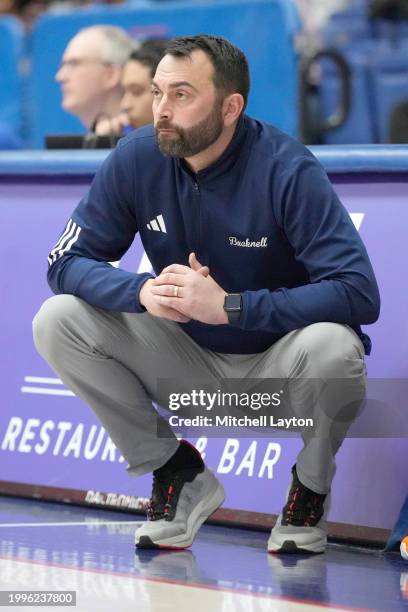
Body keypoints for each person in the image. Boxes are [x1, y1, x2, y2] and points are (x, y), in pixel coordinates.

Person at [33, 35, 380, 554]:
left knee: (336, 347)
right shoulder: (136, 159)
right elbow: (63, 262)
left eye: (182, 95)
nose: (161, 111)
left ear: (230, 106)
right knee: (57, 319)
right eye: (157, 93)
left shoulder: (286, 167)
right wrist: (142, 291)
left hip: (276, 375)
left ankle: (309, 490)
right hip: (185, 368)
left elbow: (359, 293)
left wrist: (230, 307)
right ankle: (177, 472)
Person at [55, 25, 135, 130]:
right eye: (63, 66)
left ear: (110, 75)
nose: (60, 77)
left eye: (73, 64)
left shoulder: (144, 144)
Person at [95, 39, 168, 137]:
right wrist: (102, 143)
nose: (125, 105)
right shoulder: (122, 141)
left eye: (136, 92)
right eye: (124, 92)